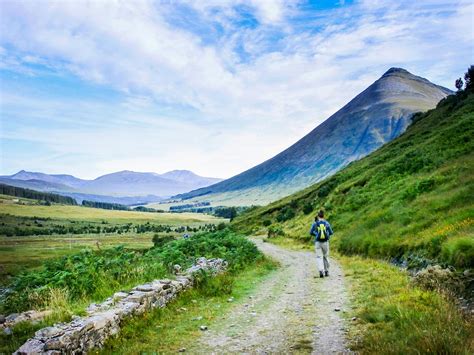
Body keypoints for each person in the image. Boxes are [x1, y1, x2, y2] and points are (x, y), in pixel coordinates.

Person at [310, 210, 334, 278]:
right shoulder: (327, 223)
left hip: (318, 242)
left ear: (318, 216)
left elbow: (311, 232)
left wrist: (317, 234)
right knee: (325, 256)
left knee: (319, 257)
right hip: (325, 242)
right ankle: (326, 271)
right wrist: (327, 235)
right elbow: (331, 232)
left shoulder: (315, 223)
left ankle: (321, 271)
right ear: (323, 215)